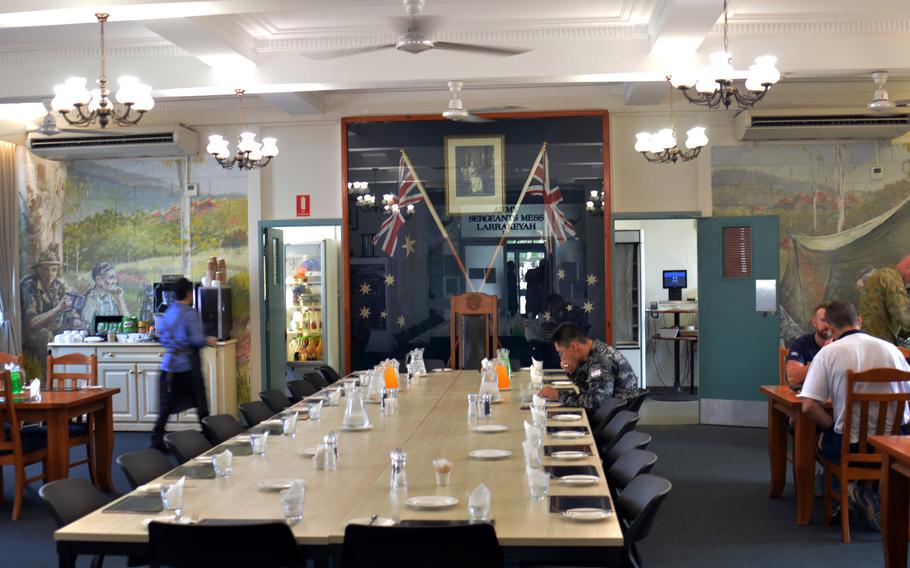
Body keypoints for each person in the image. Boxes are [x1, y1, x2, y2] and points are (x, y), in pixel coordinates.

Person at [799, 300, 910, 530]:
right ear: (858, 320)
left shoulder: (828, 353)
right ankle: (863, 492)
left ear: (829, 327)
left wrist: (830, 425)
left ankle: (851, 491)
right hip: (892, 445)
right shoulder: (893, 350)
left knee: (820, 440)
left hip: (850, 445)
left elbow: (808, 406)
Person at [150, 277, 216, 451]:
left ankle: (156, 438)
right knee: (200, 401)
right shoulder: (189, 314)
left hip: (169, 365)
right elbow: (196, 340)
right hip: (188, 365)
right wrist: (208, 340)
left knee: (167, 403)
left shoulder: (168, 312)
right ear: (189, 293)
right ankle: (209, 437)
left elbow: (162, 336)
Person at [537, 322, 638, 411]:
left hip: (612, 420)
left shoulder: (601, 361)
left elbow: (595, 403)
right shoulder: (595, 352)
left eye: (561, 353)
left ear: (574, 347)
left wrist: (558, 396)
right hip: (610, 415)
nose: (561, 358)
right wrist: (574, 373)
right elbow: (589, 391)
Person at [20, 247, 84, 357]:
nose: (50, 273)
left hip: (56, 328)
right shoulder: (29, 286)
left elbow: (71, 307)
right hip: (35, 333)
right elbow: (32, 323)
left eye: (53, 270)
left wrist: (76, 319)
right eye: (45, 269)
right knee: (45, 335)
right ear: (39, 270)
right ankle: (48, 373)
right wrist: (58, 309)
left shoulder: (58, 285)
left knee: (77, 333)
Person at [858, 255, 910, 344]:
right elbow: (904, 315)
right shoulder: (892, 279)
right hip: (880, 342)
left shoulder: (884, 275)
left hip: (870, 340)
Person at [784, 303, 831, 389]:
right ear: (814, 323)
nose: (827, 325)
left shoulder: (842, 345)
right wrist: (822, 357)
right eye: (823, 320)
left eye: (831, 321)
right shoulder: (801, 344)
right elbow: (792, 378)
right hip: (807, 396)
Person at [81, 262, 130, 329]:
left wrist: (120, 299)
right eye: (111, 277)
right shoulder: (90, 299)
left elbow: (128, 325)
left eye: (115, 277)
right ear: (99, 280)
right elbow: (86, 327)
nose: (115, 281)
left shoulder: (112, 297)